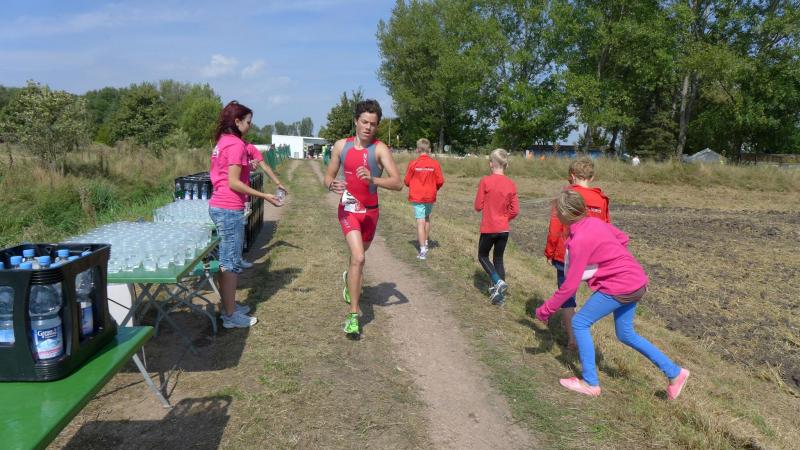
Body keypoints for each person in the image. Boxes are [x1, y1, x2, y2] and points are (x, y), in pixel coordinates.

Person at [535, 190, 690, 399]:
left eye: (556, 211)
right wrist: (608, 259)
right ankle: (675, 373)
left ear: (564, 214)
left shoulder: (579, 240)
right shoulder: (595, 223)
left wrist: (545, 310)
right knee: (625, 333)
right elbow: (622, 238)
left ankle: (590, 383)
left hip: (620, 286)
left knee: (580, 322)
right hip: (636, 280)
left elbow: (569, 287)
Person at [323, 99, 402, 338]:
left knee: (358, 258)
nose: (368, 127)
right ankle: (353, 316)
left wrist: (373, 179)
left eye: (373, 124)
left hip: (371, 212)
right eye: (364, 122)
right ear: (356, 121)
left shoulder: (380, 149)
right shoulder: (341, 146)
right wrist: (332, 185)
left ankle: (350, 277)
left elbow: (398, 183)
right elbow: (328, 177)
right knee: (358, 257)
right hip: (349, 209)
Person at [208, 101, 281, 328]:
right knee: (230, 264)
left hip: (219, 205)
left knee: (225, 261)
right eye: (248, 122)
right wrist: (264, 195)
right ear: (237, 121)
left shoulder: (223, 142)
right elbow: (233, 182)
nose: (250, 126)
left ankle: (229, 306)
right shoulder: (236, 145)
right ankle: (230, 316)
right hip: (229, 208)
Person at [544, 157, 610, 350]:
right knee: (597, 293)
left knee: (567, 296)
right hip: (593, 257)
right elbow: (606, 228)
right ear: (592, 177)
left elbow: (555, 226)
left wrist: (550, 251)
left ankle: (573, 338)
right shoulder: (601, 200)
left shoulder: (566, 195)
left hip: (566, 254)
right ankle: (585, 327)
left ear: (571, 176)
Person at [474, 149, 519, 306]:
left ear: (491, 164)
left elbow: (478, 206)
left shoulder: (485, 181)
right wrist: (505, 219)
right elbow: (515, 210)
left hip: (489, 227)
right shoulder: (511, 183)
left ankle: (497, 282)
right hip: (504, 229)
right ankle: (500, 298)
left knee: (482, 256)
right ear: (505, 165)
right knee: (498, 259)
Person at [238, 143, 287, 269]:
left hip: (244, 195)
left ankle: (238, 258)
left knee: (241, 227)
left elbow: (264, 166)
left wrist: (278, 183)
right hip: (232, 196)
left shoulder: (250, 148)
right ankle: (232, 262)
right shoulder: (233, 146)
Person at [403, 138, 444, 260]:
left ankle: (422, 250)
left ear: (417, 150)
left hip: (417, 196)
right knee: (426, 218)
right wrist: (434, 188)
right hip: (430, 196)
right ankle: (425, 242)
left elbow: (406, 181)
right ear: (429, 150)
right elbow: (440, 181)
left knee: (420, 222)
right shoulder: (435, 164)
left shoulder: (413, 164)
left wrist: (414, 185)